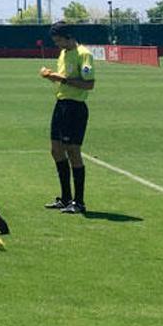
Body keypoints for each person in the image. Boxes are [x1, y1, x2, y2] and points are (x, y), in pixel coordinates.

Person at [40, 21, 95, 214]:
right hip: (61, 105)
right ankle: (65, 198)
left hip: (75, 108)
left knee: (73, 152)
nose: (57, 44)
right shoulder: (63, 53)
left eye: (58, 40)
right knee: (56, 150)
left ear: (68, 36)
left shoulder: (84, 54)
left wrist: (58, 78)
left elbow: (89, 85)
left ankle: (78, 202)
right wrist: (53, 77)